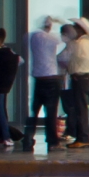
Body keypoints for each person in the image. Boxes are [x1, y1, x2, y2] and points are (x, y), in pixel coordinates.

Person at [27, 16, 65, 151]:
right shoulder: (52, 38)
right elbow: (68, 37)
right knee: (51, 112)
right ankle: (53, 142)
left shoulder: (32, 37)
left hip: (38, 78)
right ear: (49, 26)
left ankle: (28, 138)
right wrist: (59, 21)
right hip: (51, 78)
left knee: (34, 111)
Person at [61, 20, 89, 148]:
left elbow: (77, 60)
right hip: (82, 78)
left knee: (80, 109)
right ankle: (81, 137)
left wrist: (76, 72)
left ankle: (83, 138)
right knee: (80, 108)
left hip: (80, 78)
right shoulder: (85, 43)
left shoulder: (81, 43)